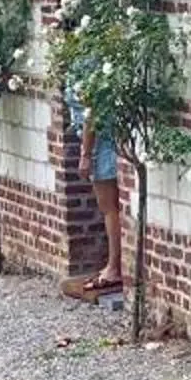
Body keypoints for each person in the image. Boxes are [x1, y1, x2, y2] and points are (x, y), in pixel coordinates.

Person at [60, 90, 127, 301]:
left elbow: (93, 112)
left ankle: (114, 267)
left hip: (101, 143)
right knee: (109, 208)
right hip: (99, 141)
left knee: (109, 208)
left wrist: (86, 153)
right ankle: (112, 264)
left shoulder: (86, 66)